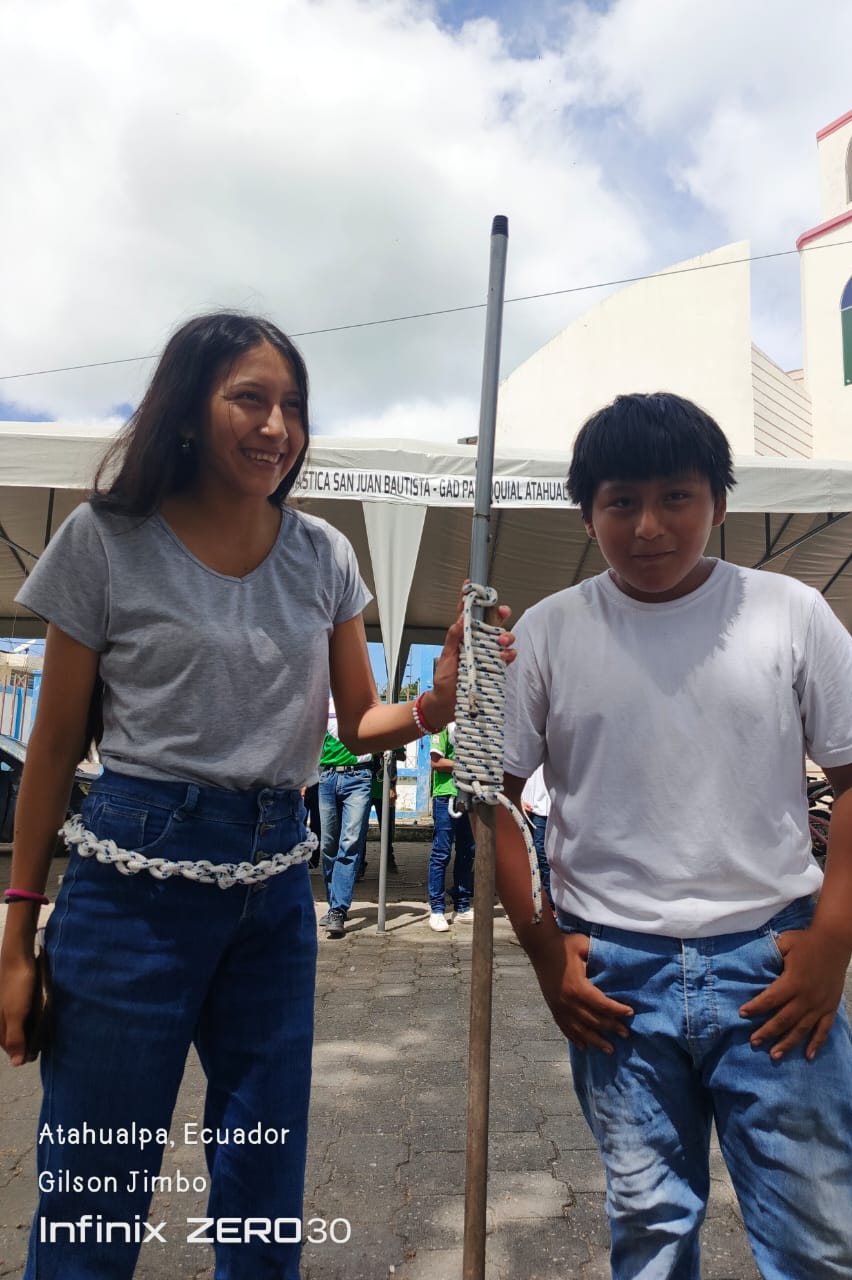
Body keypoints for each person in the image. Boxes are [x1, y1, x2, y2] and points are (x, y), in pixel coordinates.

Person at [0, 311, 514, 1280]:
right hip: (127, 890)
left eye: (293, 405)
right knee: (92, 1195)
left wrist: (437, 704)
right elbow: (54, 748)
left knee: (264, 1192)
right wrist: (16, 936)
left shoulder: (324, 555)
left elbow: (358, 720)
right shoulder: (105, 538)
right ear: (187, 408)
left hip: (275, 894)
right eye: (250, 398)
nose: (277, 426)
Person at [495, 392, 852, 1279]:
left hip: (775, 967)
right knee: (649, 1230)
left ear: (719, 502)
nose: (649, 525)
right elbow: (495, 796)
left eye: (676, 496)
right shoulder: (549, 631)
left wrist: (834, 941)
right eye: (620, 501)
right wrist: (544, 949)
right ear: (588, 513)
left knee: (824, 1241)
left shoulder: (787, 612)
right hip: (614, 978)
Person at [316, 711, 374, 937]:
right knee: (327, 846)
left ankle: (338, 909)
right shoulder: (323, 702)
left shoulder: (366, 704)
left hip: (358, 778)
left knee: (349, 843)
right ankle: (333, 903)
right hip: (327, 777)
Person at [427, 722, 475, 932]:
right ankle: (437, 909)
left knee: (468, 851)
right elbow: (436, 762)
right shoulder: (443, 725)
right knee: (441, 852)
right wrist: (467, 766)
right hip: (447, 795)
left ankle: (462, 904)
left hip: (470, 794)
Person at [521, 764, 555, 913]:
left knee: (545, 856)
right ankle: (537, 902)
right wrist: (520, 798)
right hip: (531, 807)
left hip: (550, 808)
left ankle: (550, 904)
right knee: (532, 855)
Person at [369, 749, 401, 874]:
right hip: (364, 786)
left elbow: (401, 755)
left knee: (387, 829)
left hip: (384, 787)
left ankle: (389, 859)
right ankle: (358, 865)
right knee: (359, 829)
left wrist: (392, 785)